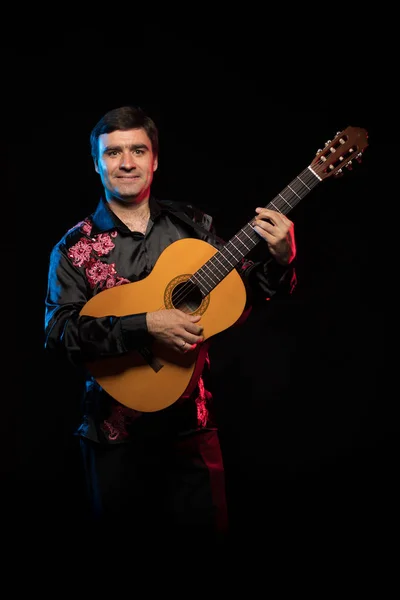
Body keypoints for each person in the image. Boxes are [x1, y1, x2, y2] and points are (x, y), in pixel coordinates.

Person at [44, 105, 297, 553]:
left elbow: (238, 297)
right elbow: (60, 334)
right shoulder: (73, 247)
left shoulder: (192, 225)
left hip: (192, 428)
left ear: (154, 159)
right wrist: (146, 325)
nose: (126, 163)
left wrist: (280, 261)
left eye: (138, 150)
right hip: (113, 436)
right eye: (113, 153)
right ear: (97, 163)